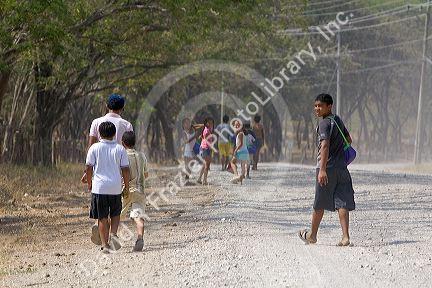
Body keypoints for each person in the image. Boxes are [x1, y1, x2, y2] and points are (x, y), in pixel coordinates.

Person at [298, 93, 355, 247]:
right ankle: (345, 237)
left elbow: (324, 145)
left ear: (329, 106)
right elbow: (348, 140)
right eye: (315, 105)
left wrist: (322, 169)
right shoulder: (337, 120)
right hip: (341, 167)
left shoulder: (324, 124)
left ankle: (312, 235)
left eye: (320, 106)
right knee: (342, 202)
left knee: (319, 202)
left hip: (327, 168)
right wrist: (339, 152)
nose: (317, 108)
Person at [81, 93, 133, 245]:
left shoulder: (96, 122)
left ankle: (102, 234)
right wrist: (127, 182)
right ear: (122, 108)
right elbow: (128, 149)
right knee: (115, 211)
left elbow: (91, 147)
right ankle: (112, 234)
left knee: (101, 210)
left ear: (107, 106)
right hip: (117, 176)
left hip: (99, 174)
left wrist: (87, 175)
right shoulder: (126, 125)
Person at [85, 121, 130, 254]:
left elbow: (88, 167)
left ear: (99, 134)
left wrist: (89, 183)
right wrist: (126, 186)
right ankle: (114, 234)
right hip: (115, 187)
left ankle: (105, 245)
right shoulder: (120, 149)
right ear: (115, 134)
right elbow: (125, 169)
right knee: (115, 213)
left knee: (102, 217)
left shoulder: (94, 148)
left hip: (99, 188)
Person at [120, 131, 149, 252]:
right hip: (140, 190)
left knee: (116, 215)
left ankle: (112, 239)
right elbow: (146, 174)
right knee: (138, 215)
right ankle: (140, 237)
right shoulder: (142, 155)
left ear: (123, 143)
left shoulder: (122, 156)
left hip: (126, 190)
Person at [197, 117, 215, 185]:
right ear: (206, 123)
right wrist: (213, 149)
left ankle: (200, 179)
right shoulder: (207, 130)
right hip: (206, 148)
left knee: (205, 165)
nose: (210, 124)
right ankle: (204, 180)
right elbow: (207, 142)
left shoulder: (207, 129)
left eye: (211, 123)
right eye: (209, 122)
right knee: (207, 165)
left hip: (205, 148)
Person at [230, 120, 249, 185]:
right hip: (245, 151)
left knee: (232, 162)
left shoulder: (240, 133)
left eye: (238, 125)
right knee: (243, 167)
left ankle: (236, 175)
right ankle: (240, 178)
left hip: (240, 151)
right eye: (236, 125)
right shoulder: (242, 133)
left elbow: (240, 144)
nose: (236, 126)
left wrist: (235, 150)